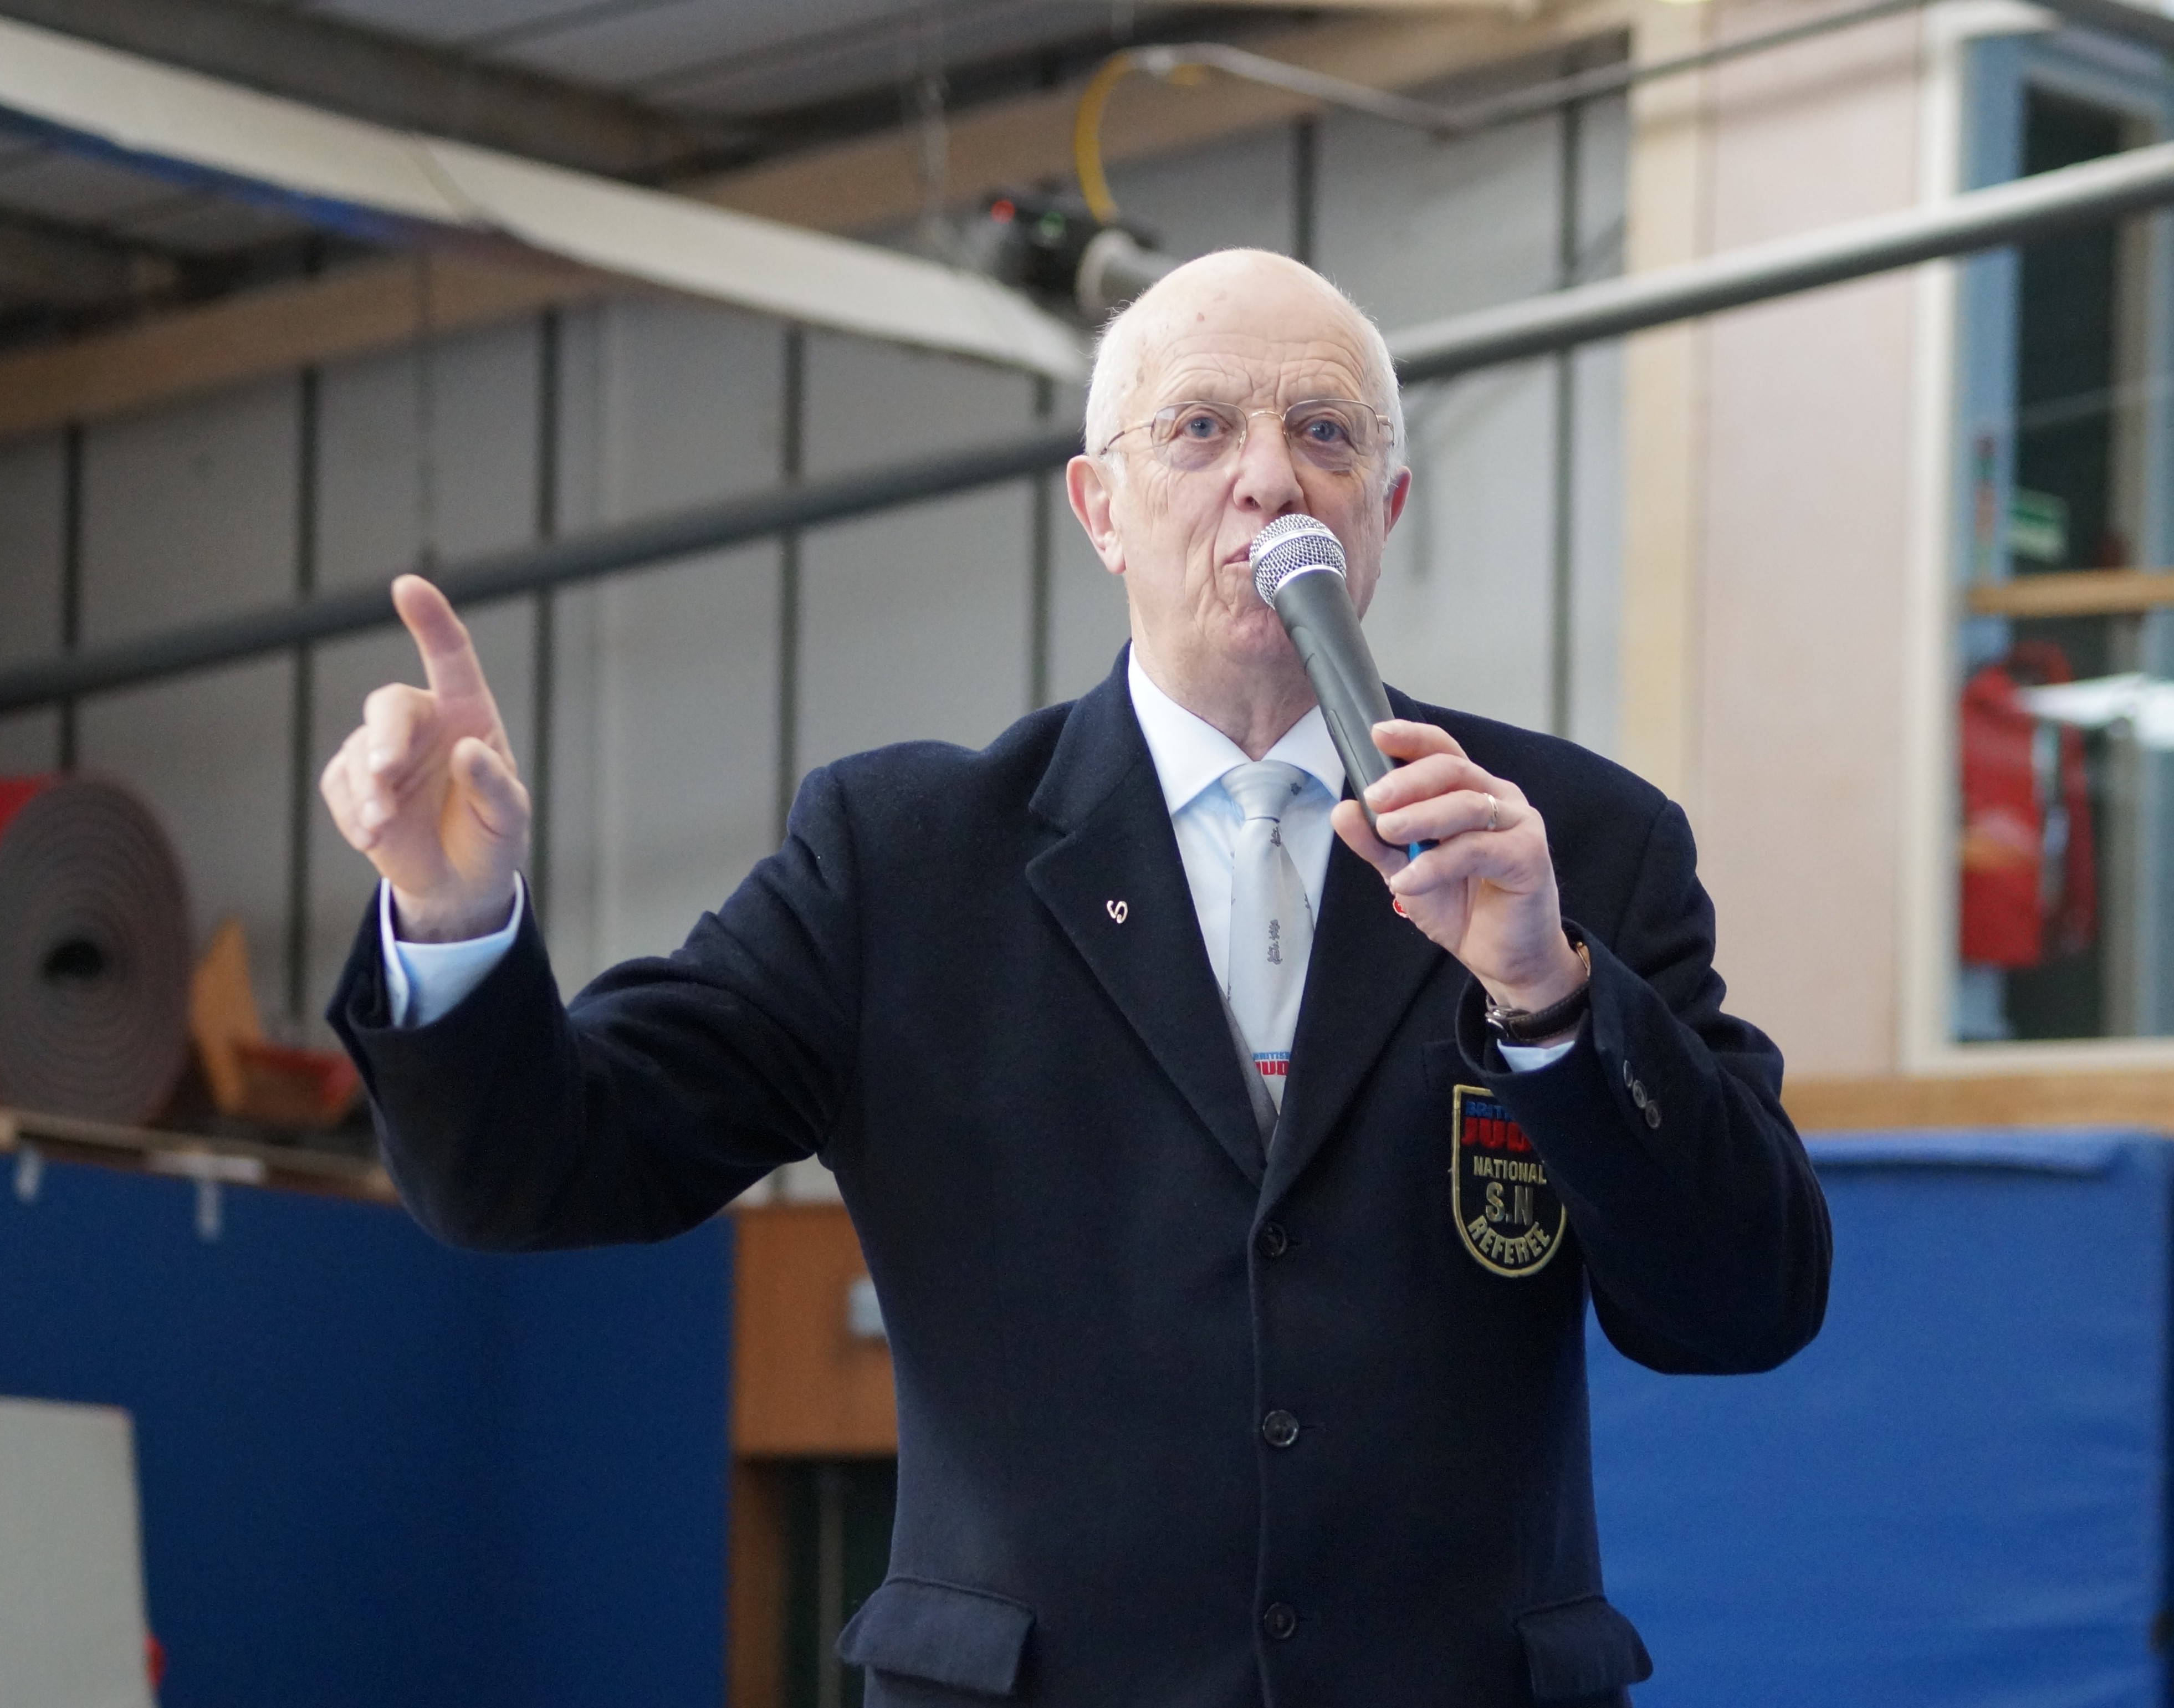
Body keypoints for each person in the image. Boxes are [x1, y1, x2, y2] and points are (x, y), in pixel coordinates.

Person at [322, 248, 1829, 1708]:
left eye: (1322, 433)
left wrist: (1552, 996)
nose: (1268, 478)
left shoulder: (1569, 848)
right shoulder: (902, 859)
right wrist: (453, 916)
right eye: (1198, 428)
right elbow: (538, 1170)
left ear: (1386, 506)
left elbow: (1744, 1301)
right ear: (1099, 508)